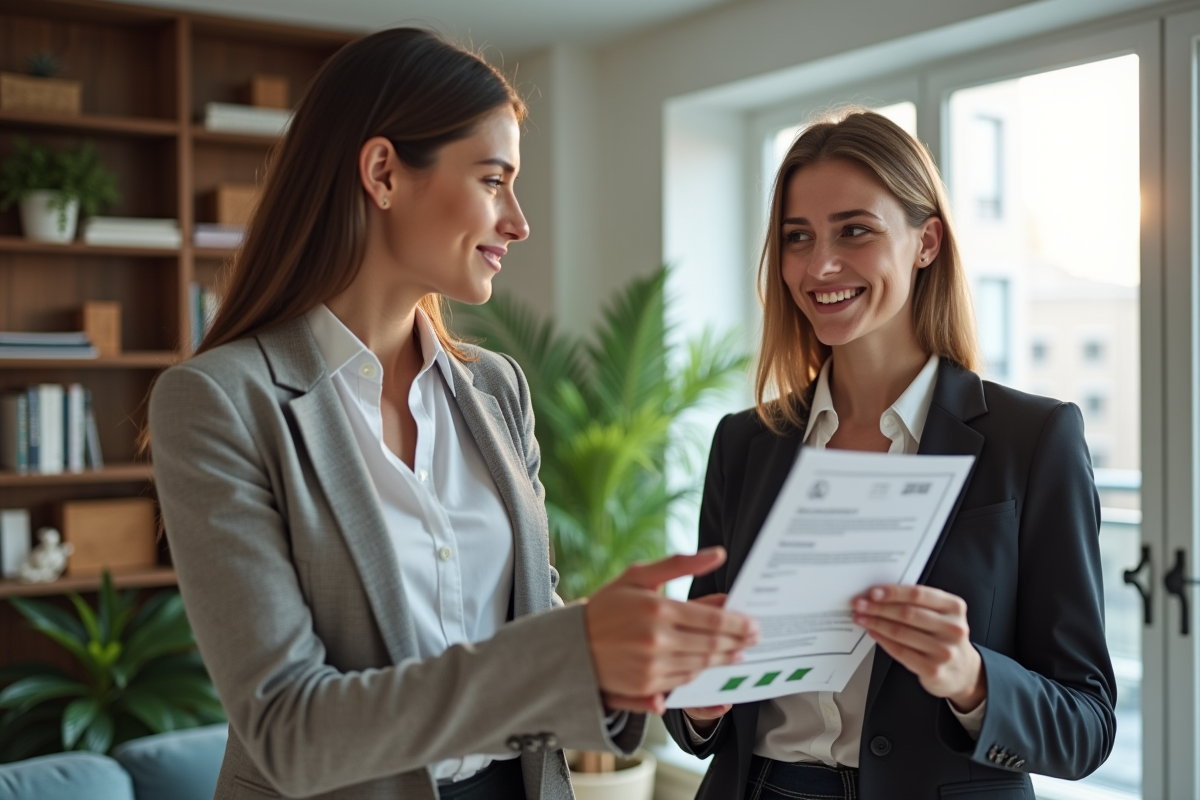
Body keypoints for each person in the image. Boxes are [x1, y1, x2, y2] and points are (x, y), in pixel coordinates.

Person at [148, 28, 758, 800]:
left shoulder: (497, 389)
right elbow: (287, 729)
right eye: (494, 180)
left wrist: (646, 665)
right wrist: (576, 652)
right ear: (383, 173)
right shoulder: (220, 402)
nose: (519, 221)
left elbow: (524, 617)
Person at [663, 109, 1115, 800]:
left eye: (855, 230)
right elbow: (695, 703)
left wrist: (970, 677)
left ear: (926, 241)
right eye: (797, 237)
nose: (821, 265)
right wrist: (697, 702)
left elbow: (1087, 724)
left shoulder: (1032, 439)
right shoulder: (745, 443)